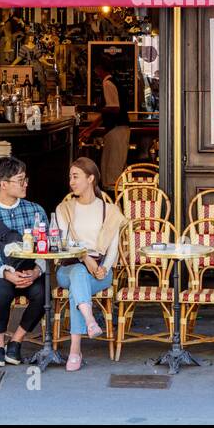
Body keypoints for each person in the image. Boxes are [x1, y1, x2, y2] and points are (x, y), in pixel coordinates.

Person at [0, 156, 48, 368]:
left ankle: (16, 341)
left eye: (25, 179)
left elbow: (45, 246)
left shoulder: (35, 211)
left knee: (43, 294)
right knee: (3, 293)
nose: (26, 184)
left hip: (29, 271)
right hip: (0, 273)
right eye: (20, 180)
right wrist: (6, 273)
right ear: (3, 185)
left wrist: (36, 271)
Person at [55, 157, 125, 371]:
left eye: (75, 177)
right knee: (78, 272)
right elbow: (64, 244)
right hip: (68, 267)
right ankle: (89, 318)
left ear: (91, 178)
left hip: (101, 270)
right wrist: (85, 258)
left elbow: (113, 246)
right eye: (70, 177)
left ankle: (76, 348)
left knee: (79, 287)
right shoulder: (64, 209)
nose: (71, 182)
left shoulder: (110, 211)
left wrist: (105, 267)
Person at [93, 58, 130, 189]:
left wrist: (97, 108)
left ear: (99, 69)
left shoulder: (107, 83)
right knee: (114, 168)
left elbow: (114, 108)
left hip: (116, 130)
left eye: (96, 69)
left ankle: (115, 204)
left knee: (112, 172)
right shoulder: (114, 81)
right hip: (118, 129)